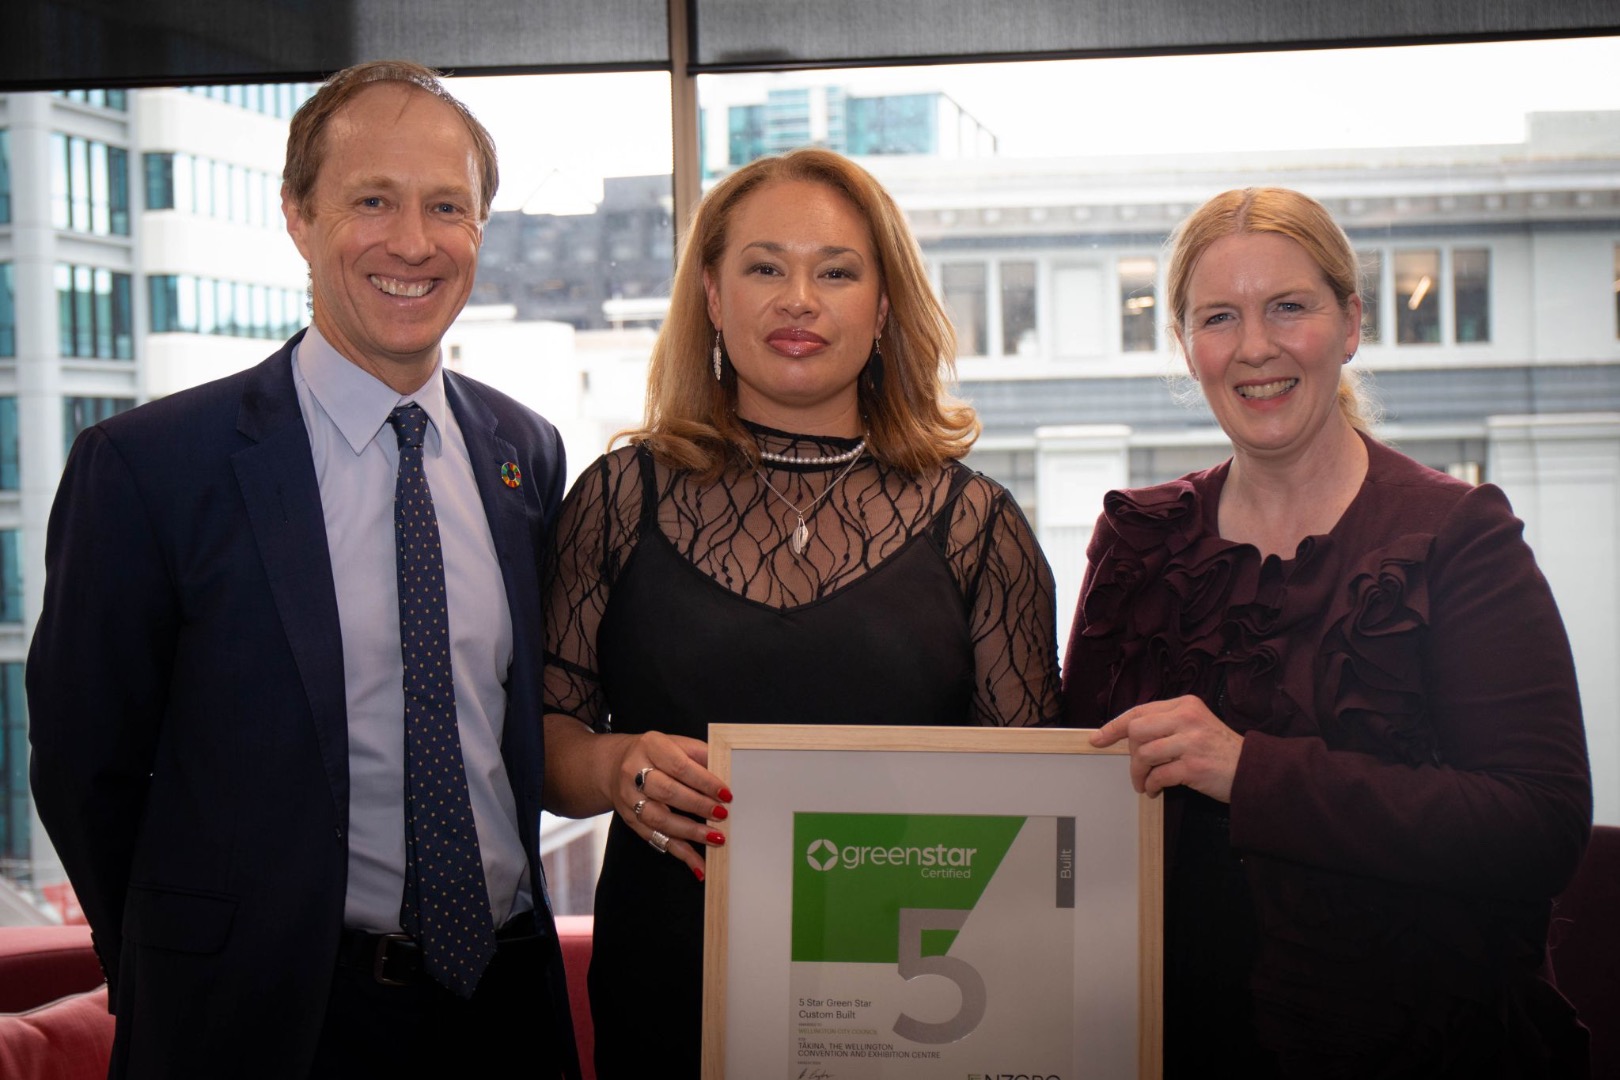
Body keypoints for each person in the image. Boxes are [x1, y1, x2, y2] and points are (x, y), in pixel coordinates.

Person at [27, 61, 579, 1079]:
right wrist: (176, 958)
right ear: (296, 216)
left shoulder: (526, 452)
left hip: (504, 1010)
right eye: (372, 200)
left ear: (481, 230)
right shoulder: (152, 469)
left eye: (447, 207)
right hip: (264, 1023)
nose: (413, 243)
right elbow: (82, 765)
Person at [541, 147, 1061, 1075]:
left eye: (836, 271)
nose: (799, 300)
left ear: (885, 303)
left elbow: (1030, 808)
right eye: (764, 267)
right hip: (669, 987)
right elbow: (542, 745)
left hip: (914, 1006)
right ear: (710, 294)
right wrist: (615, 762)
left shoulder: (980, 525)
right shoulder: (618, 498)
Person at [1065, 187, 1592, 1077]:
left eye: (1288, 308)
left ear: (1350, 324)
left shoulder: (1457, 537)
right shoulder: (1138, 540)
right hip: (1174, 1042)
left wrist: (1251, 772)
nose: (1256, 347)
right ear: (1187, 348)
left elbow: (1536, 825)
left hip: (1424, 1049)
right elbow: (1073, 787)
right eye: (1219, 317)